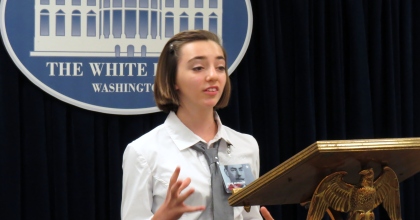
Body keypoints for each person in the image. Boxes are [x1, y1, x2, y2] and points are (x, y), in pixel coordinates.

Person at [121, 30, 274, 220]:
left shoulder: (246, 146)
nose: (213, 76)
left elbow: (249, 214)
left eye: (220, 67)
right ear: (173, 79)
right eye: (198, 68)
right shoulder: (143, 152)